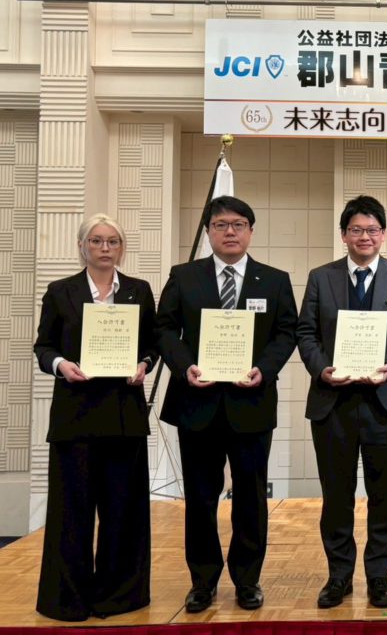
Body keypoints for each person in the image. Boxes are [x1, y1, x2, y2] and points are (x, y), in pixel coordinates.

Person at [156, 196, 297, 614]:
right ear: (209, 232)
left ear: (251, 231)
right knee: (200, 498)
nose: (230, 232)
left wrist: (263, 369)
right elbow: (164, 328)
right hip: (196, 402)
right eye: (221, 225)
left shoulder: (274, 280)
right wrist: (185, 366)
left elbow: (286, 332)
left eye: (238, 224)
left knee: (250, 497)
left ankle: (247, 579)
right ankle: (202, 581)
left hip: (250, 402)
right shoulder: (184, 276)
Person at [33, 214, 158, 622]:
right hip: (75, 416)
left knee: (124, 510)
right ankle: (68, 599)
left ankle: (119, 595)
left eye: (113, 241)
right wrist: (61, 365)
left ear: (122, 248)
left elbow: (152, 344)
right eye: (97, 241)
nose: (105, 248)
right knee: (71, 512)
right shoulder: (60, 291)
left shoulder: (139, 291)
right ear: (82, 246)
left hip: (123, 415)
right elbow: (44, 347)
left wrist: (144, 364)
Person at [297, 195, 387, 609]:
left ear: (383, 235)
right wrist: (322, 369)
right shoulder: (321, 277)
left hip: (385, 401)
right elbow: (306, 332)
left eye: (372, 230)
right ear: (343, 235)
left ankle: (379, 576)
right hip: (333, 401)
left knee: (384, 494)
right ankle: (339, 576)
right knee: (336, 495)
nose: (364, 236)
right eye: (356, 230)